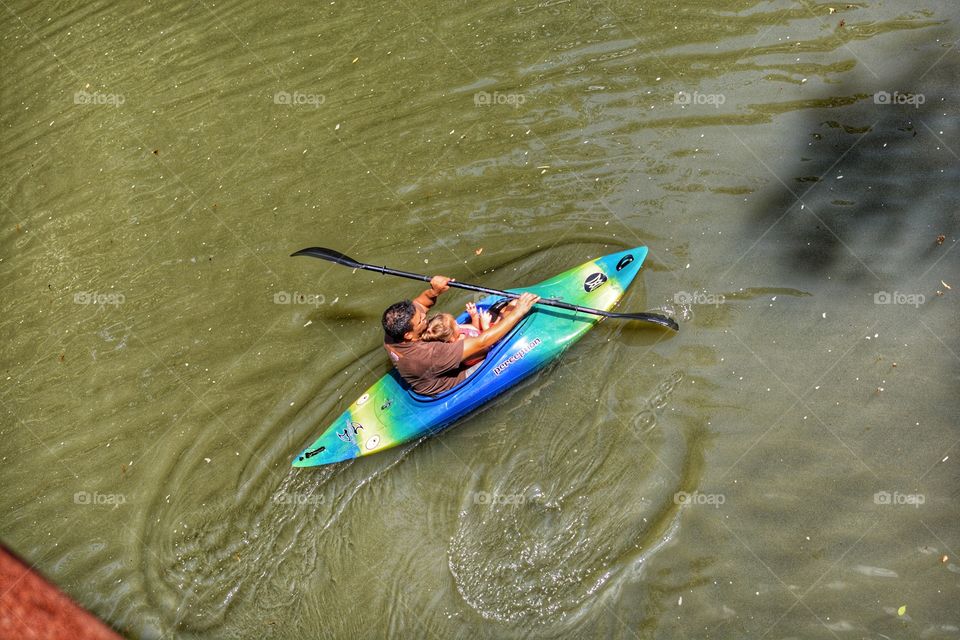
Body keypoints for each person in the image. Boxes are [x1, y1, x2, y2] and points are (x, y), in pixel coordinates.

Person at [381, 276, 540, 396]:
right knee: (497, 350)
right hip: (454, 380)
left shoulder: (392, 334)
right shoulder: (428, 354)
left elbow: (421, 304)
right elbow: (482, 342)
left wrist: (434, 291)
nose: (425, 317)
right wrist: (518, 312)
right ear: (408, 335)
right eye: (422, 320)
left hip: (427, 369)